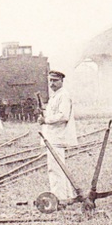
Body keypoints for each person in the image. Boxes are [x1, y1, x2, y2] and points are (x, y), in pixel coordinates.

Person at [38, 70, 78, 202]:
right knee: (59, 167)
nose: (52, 83)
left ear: (62, 81)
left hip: (58, 137)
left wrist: (46, 120)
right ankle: (67, 196)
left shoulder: (63, 95)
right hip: (53, 136)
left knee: (55, 169)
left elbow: (63, 115)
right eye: (50, 80)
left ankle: (58, 198)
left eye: (55, 81)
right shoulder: (55, 96)